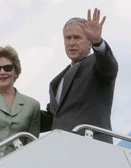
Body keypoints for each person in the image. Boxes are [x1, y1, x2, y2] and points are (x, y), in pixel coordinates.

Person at [41, 8, 118, 143]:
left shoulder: (97, 64)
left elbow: (109, 66)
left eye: (77, 37)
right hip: (61, 150)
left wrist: (98, 43)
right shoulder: (57, 81)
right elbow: (54, 117)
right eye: (67, 38)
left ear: (89, 42)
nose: (71, 43)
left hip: (91, 147)